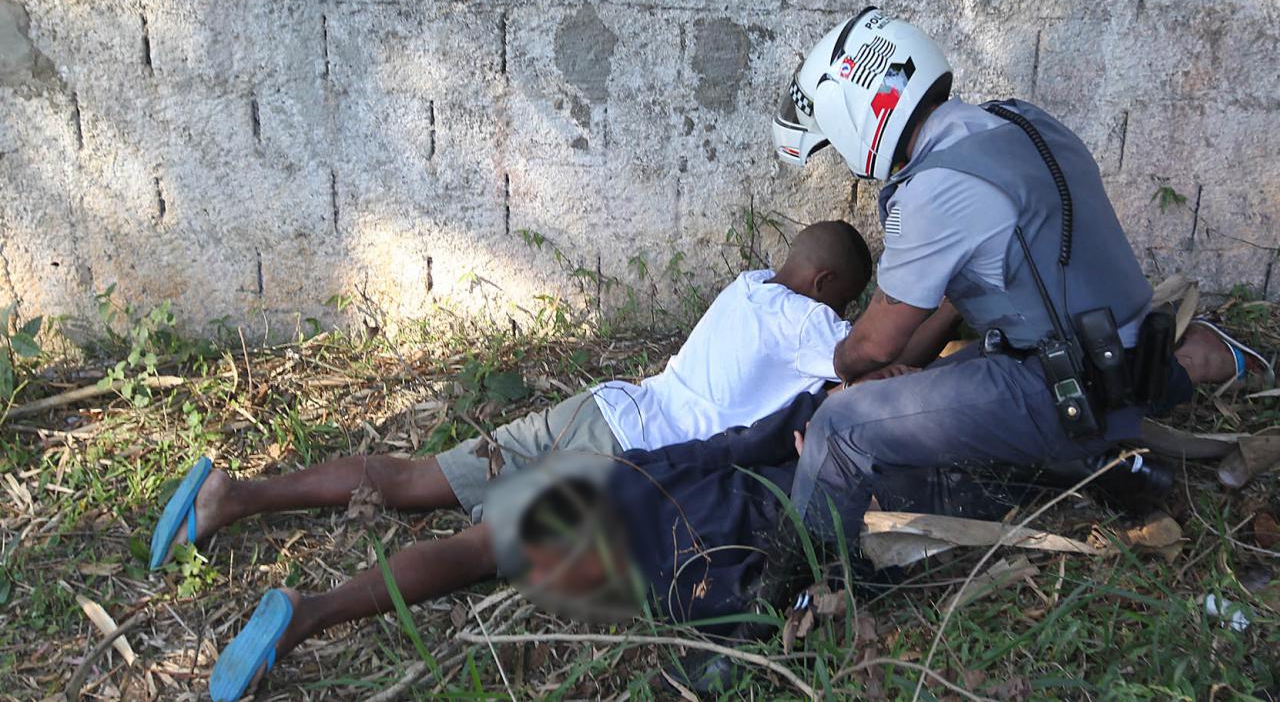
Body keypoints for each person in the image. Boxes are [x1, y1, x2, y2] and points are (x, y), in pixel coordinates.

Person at [148, 221, 877, 700]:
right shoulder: (813, 325)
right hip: (629, 461)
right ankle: (308, 614)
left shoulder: (749, 285)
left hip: (600, 407)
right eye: (845, 300)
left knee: (416, 477)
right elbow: (872, 361)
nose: (842, 314)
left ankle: (235, 495)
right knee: (481, 547)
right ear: (826, 286)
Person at [770, 6, 1274, 545]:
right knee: (910, 390)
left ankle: (810, 576)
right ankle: (1107, 454)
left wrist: (843, 373)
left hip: (1063, 391)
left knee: (839, 426)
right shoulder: (1020, 122)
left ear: (855, 115)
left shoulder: (934, 190)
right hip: (1124, 361)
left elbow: (875, 343)